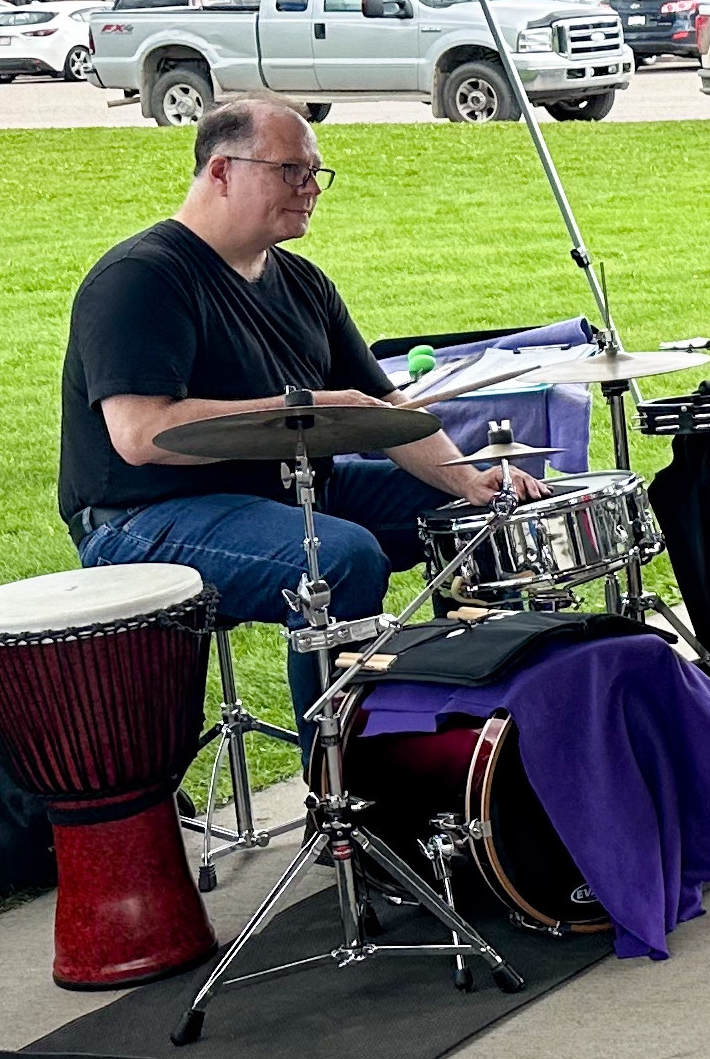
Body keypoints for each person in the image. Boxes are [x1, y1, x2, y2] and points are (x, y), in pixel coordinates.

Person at [60, 94, 543, 718]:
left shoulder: (304, 282)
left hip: (282, 491)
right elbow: (140, 433)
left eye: (315, 172)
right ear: (221, 170)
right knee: (339, 560)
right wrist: (303, 405)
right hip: (140, 516)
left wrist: (468, 479)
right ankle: (341, 788)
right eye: (291, 170)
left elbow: (387, 407)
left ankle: (466, 728)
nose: (311, 187)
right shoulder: (141, 278)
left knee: (486, 517)